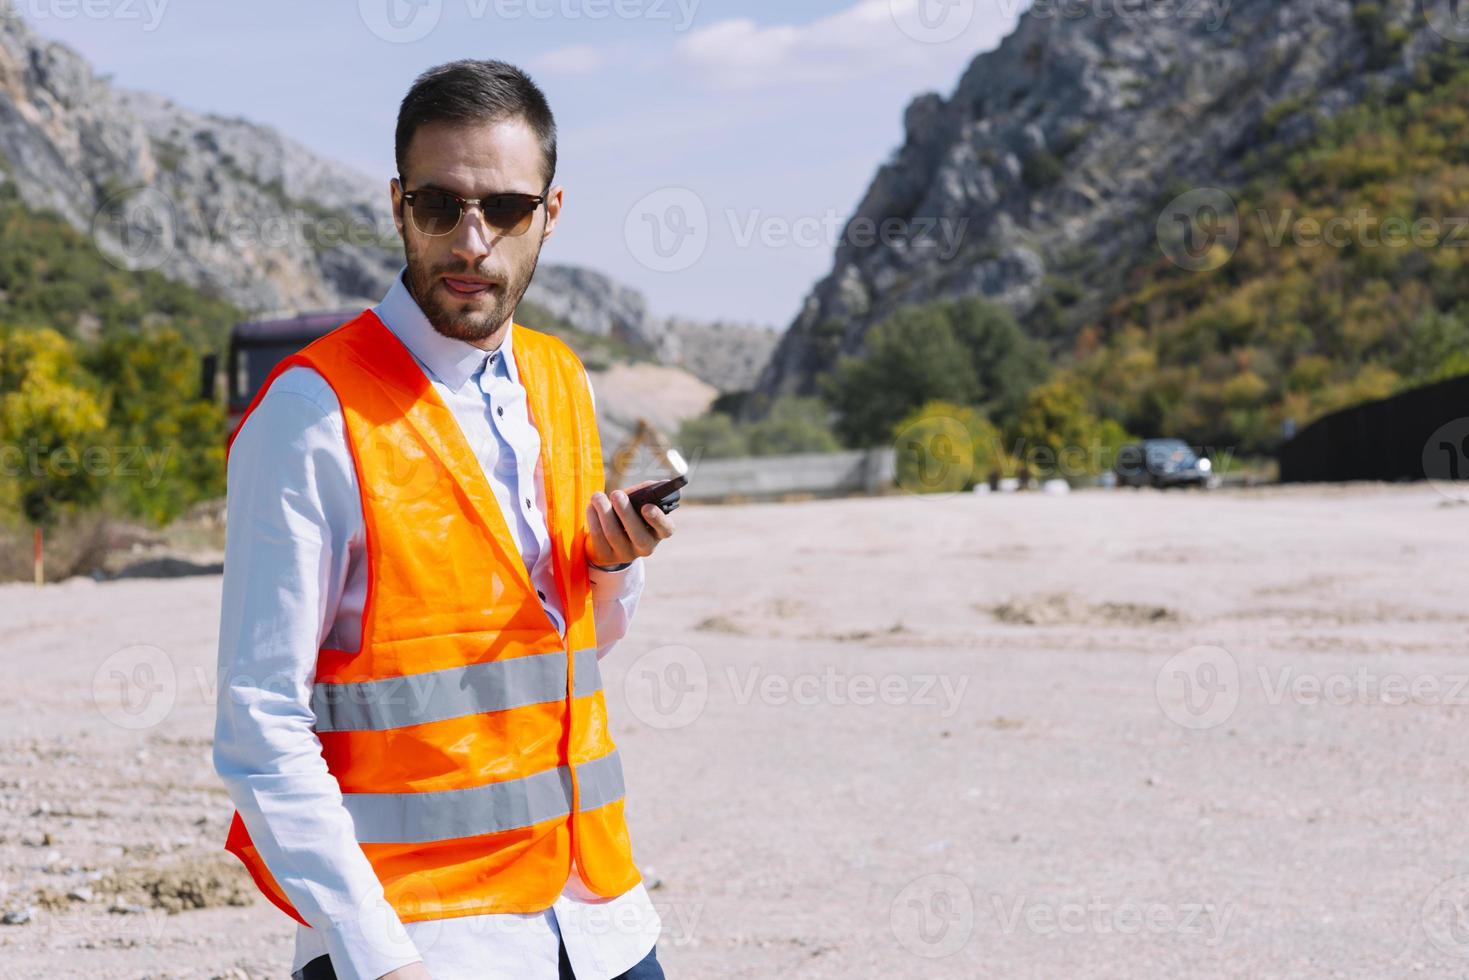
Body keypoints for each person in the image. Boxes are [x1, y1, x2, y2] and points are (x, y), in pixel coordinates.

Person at [212, 60, 673, 980]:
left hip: (600, 920)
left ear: (549, 214)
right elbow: (260, 720)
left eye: (504, 208)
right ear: (396, 206)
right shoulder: (310, 417)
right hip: (424, 941)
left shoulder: (561, 380)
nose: (472, 241)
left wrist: (615, 568)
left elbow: (573, 650)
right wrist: (379, 957)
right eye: (439, 206)